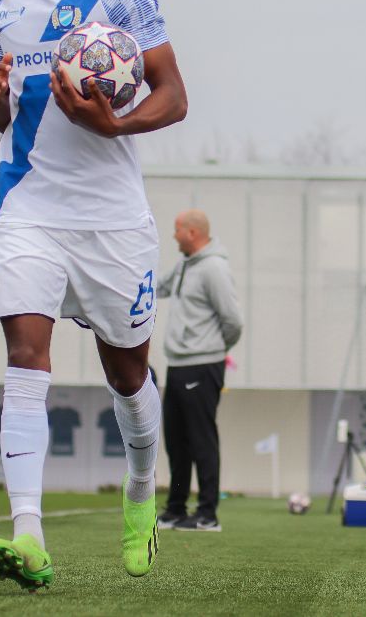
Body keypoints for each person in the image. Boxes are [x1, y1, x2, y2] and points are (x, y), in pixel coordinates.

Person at [0, 0, 188, 589]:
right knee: (25, 355)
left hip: (110, 220)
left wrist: (115, 124)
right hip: (28, 208)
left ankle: (141, 489)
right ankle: (27, 535)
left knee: (127, 374)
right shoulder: (2, 10)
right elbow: (12, 116)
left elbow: (173, 94)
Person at [155, 209, 243, 532]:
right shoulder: (184, 265)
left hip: (203, 365)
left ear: (192, 233)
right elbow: (157, 287)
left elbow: (233, 321)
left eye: (177, 229)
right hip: (178, 364)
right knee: (176, 441)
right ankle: (176, 509)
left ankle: (207, 514)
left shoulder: (214, 268)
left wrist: (215, 349)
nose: (174, 235)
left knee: (201, 440)